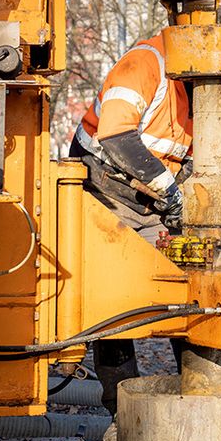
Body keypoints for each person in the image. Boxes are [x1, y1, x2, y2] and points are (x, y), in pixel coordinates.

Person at [69, 33, 192, 418]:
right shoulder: (145, 63)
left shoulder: (200, 89)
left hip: (147, 196)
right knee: (116, 301)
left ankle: (198, 395)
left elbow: (184, 156)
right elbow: (116, 135)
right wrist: (170, 192)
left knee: (183, 288)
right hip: (104, 187)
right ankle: (122, 414)